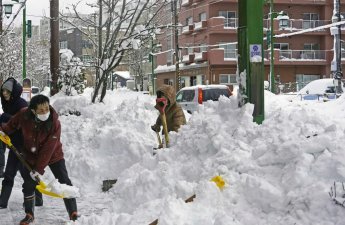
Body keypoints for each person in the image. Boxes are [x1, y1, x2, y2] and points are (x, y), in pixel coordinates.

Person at [0, 94, 78, 224]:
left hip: (54, 155)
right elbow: (11, 125)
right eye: (41, 110)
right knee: (29, 183)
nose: (45, 112)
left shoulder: (54, 122)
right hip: (31, 154)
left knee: (64, 180)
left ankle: (73, 212)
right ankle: (29, 214)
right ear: (33, 110)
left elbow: (49, 148)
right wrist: (3, 130)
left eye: (47, 108)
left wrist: (38, 169)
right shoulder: (24, 115)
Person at [0, 78, 43, 209]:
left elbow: (24, 122)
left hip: (24, 145)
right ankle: (3, 202)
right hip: (14, 143)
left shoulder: (21, 104)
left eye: (7, 91)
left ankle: (37, 198)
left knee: (20, 173)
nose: (5, 94)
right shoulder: (7, 102)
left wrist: (4, 119)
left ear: (13, 92)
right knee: (14, 173)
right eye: (3, 91)